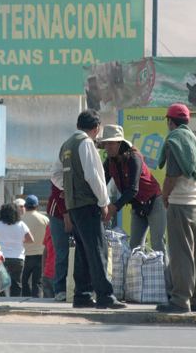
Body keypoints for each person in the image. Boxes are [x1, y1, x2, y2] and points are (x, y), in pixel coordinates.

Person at [51, 109, 126, 310]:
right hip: (87, 205)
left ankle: (82, 295)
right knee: (97, 250)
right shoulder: (86, 143)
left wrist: (70, 188)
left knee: (83, 252)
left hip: (74, 206)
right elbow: (94, 177)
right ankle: (105, 296)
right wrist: (104, 203)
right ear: (97, 128)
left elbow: (55, 175)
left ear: (77, 125)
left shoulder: (66, 145)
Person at [156, 103, 196, 314]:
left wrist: (165, 197)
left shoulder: (175, 141)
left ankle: (180, 299)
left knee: (181, 254)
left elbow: (171, 176)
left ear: (170, 121)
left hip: (181, 204)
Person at [100, 124, 166, 252]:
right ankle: (137, 272)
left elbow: (133, 189)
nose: (108, 148)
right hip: (137, 206)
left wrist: (113, 208)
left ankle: (165, 273)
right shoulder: (109, 162)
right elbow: (101, 184)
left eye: (111, 144)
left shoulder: (134, 158)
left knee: (158, 246)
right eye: (106, 144)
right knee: (134, 248)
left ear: (120, 144)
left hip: (155, 202)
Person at [0, 203, 34, 297]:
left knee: (1, 283)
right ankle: (14, 301)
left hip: (1, 258)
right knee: (17, 283)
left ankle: (1, 300)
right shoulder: (21, 225)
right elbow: (31, 239)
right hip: (18, 258)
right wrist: (19, 240)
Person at [46, 183, 72, 301]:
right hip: (58, 214)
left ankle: (79, 288)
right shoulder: (59, 166)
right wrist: (66, 216)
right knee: (62, 253)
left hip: (78, 210)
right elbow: (58, 193)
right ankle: (60, 290)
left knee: (81, 253)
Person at [20, 195, 49, 298]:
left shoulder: (19, 220)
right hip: (40, 255)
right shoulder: (45, 219)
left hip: (24, 255)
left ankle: (23, 301)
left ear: (25, 206)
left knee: (24, 282)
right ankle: (37, 302)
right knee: (38, 283)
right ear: (37, 206)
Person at [41, 222, 56, 298]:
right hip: (51, 273)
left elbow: (45, 250)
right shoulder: (72, 224)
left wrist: (44, 271)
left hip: (49, 272)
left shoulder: (50, 225)